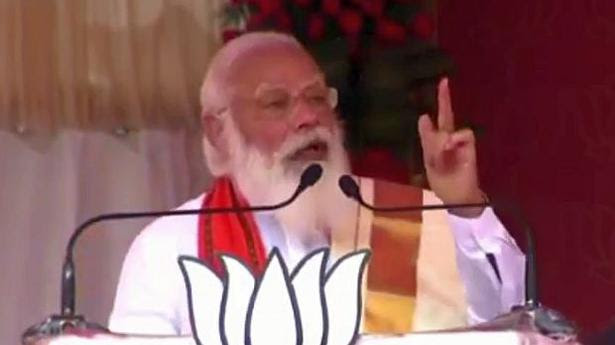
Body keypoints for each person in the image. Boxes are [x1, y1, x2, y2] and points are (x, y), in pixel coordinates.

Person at [108, 32, 525, 336]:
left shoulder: (401, 215)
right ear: (218, 130)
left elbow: (507, 322)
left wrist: (463, 207)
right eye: (276, 103)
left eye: (316, 98)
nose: (308, 118)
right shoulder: (168, 247)